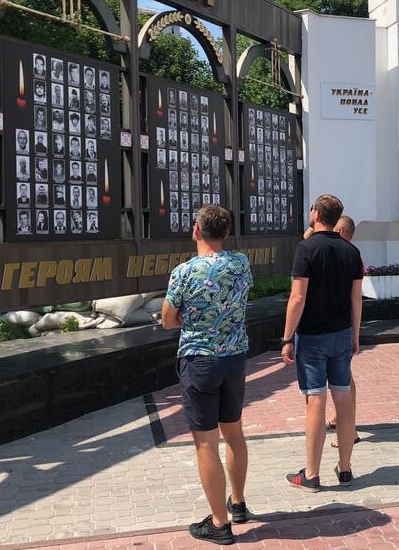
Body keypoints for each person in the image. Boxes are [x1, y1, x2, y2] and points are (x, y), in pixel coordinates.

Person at [161, 205, 253, 545]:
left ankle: (219, 523)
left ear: (196, 230)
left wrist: (191, 320)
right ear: (227, 233)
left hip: (199, 361)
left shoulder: (184, 273)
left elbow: (168, 319)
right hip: (234, 359)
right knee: (234, 433)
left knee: (205, 442)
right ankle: (238, 503)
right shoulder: (241, 264)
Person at [281, 195, 363, 491]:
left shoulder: (306, 249)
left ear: (315, 213)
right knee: (342, 398)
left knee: (315, 400)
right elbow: (356, 298)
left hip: (312, 336)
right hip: (342, 333)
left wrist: (287, 337)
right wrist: (355, 334)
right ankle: (345, 468)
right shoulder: (351, 251)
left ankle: (312, 474)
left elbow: (298, 297)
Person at [323, 215, 363, 448]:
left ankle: (350, 429)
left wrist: (355, 333)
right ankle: (342, 420)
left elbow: (355, 297)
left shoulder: (344, 253)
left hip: (339, 325)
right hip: (345, 324)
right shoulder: (351, 253)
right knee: (344, 376)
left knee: (343, 379)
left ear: (339, 231)